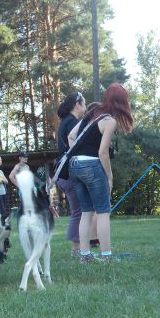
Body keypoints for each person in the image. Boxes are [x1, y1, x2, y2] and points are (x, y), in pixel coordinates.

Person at [67, 83, 134, 263]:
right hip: (92, 166)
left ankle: (85, 255)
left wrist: (80, 155)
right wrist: (109, 177)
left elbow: (71, 136)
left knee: (86, 212)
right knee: (103, 211)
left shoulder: (92, 113)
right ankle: (106, 256)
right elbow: (102, 153)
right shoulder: (109, 121)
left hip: (74, 166)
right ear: (122, 102)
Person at [55, 92, 99, 257]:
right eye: (84, 103)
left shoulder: (64, 122)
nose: (86, 107)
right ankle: (76, 249)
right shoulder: (74, 123)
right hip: (71, 171)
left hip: (63, 172)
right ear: (77, 104)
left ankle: (79, 248)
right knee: (80, 211)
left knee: (79, 211)